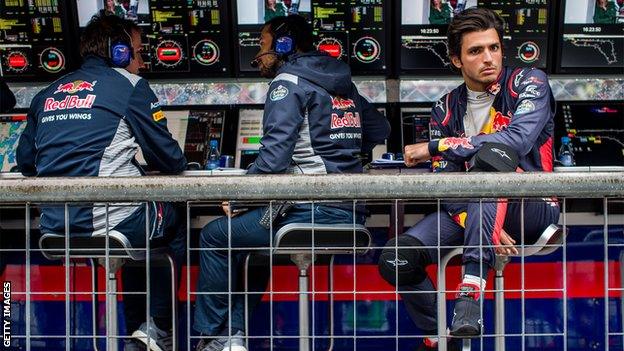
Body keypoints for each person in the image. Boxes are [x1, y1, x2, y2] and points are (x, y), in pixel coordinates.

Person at [194, 14, 390, 351]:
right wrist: (345, 158)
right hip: (351, 212)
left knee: (215, 236)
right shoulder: (341, 83)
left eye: (263, 44)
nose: (258, 53)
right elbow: (380, 130)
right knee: (249, 246)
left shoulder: (287, 82)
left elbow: (272, 161)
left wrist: (239, 198)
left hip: (307, 210)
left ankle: (212, 337)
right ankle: (232, 338)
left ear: (284, 43)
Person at [377, 8, 560, 351]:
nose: (488, 58)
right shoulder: (444, 107)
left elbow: (517, 141)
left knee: (491, 162)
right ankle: (439, 336)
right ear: (456, 61)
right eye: (475, 51)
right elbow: (444, 178)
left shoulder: (528, 81)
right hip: (471, 210)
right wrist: (480, 222)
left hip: (532, 205)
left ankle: (470, 291)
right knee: (396, 258)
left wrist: (436, 145)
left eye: (493, 48)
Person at [16, 11, 186, 351]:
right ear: (120, 52)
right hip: (111, 224)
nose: (142, 61)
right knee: (171, 212)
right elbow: (170, 159)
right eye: (138, 52)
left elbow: (25, 163)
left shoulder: (48, 92)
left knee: (142, 219)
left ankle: (141, 331)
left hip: (54, 229)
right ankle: (157, 330)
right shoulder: (132, 86)